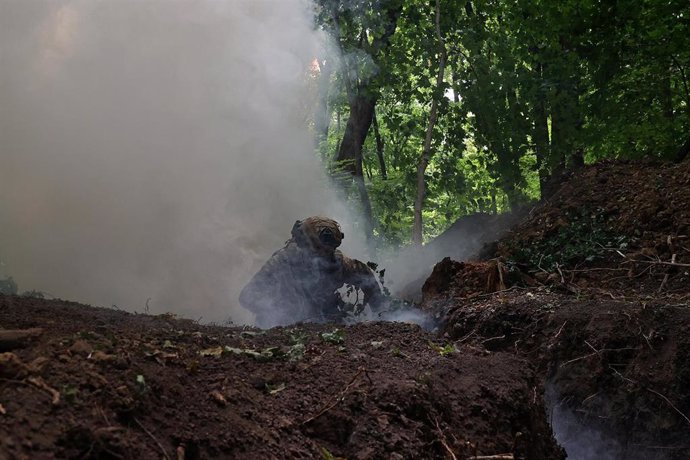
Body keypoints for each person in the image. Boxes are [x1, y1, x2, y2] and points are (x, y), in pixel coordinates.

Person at [239, 216, 384, 328]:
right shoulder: (283, 262)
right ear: (304, 244)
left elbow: (367, 279)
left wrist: (383, 314)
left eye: (329, 250)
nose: (325, 256)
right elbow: (248, 296)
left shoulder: (340, 263)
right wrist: (279, 311)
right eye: (318, 250)